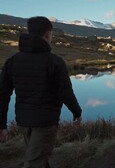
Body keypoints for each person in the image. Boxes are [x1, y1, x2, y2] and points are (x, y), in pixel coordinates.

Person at [0, 16, 82, 168]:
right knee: (34, 162)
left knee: (38, 158)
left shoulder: (12, 61)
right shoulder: (55, 62)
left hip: (23, 122)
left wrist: (2, 124)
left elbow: (3, 95)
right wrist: (77, 112)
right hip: (45, 123)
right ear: (48, 34)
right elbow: (65, 92)